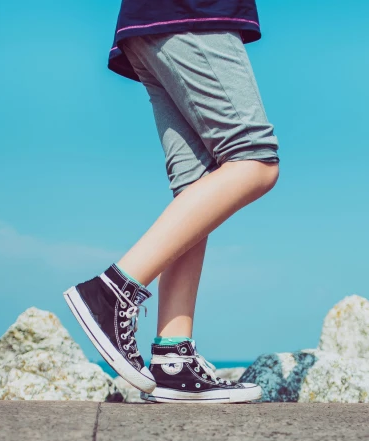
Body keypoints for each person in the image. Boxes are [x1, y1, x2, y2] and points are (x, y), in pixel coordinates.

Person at [63, 0, 279, 404]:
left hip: (150, 23)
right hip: (194, 13)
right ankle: (111, 292)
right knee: (255, 159)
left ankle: (173, 358)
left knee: (197, 188)